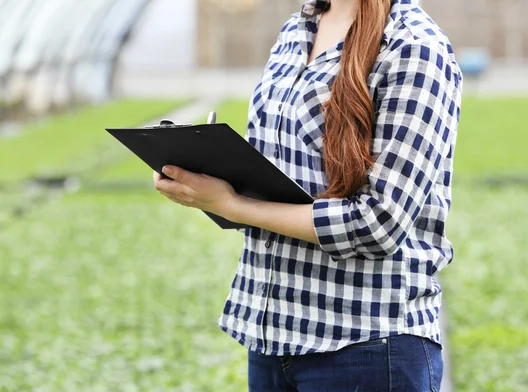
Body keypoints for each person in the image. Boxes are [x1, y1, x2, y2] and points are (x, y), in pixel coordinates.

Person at [153, 0, 462, 390]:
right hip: (272, 336)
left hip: (366, 345)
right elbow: (279, 170)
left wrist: (233, 205)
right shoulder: (298, 29)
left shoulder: (414, 46)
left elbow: (379, 222)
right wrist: (198, 176)